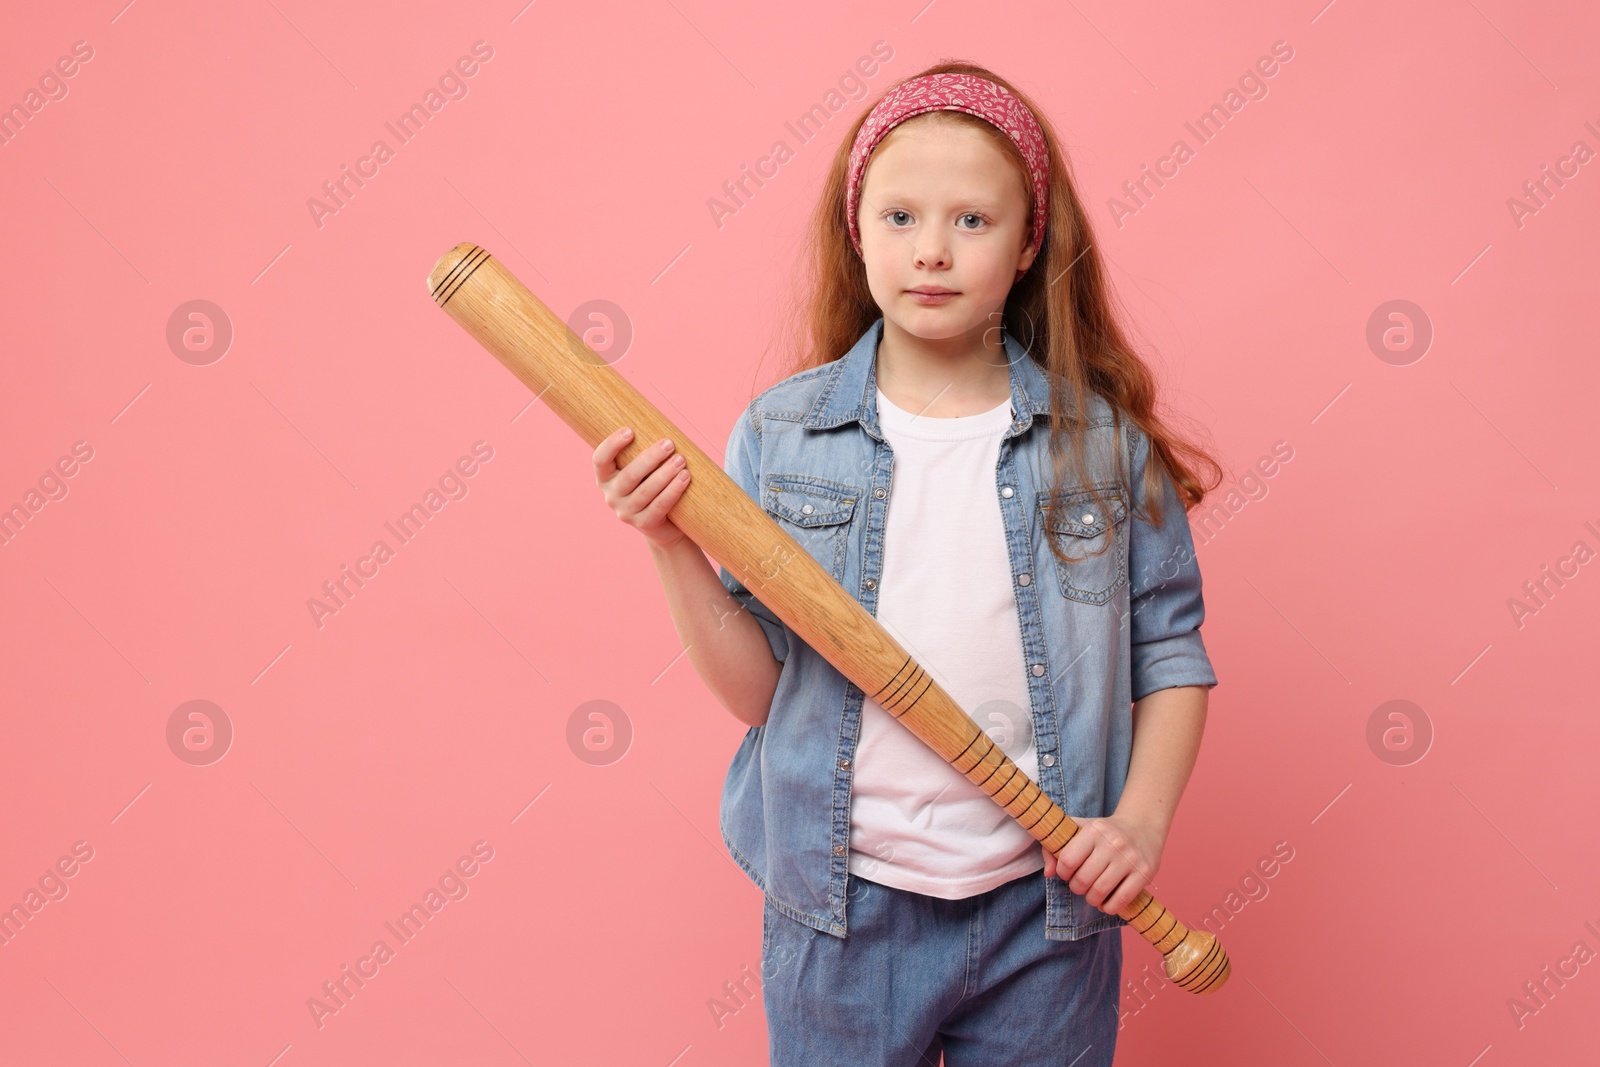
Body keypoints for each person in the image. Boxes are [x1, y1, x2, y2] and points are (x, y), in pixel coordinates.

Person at [593, 60, 1224, 1067]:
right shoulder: (784, 434)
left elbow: (1171, 656)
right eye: (898, 218)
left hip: (1045, 911)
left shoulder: (1099, 449)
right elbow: (760, 693)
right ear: (857, 233)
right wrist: (670, 542)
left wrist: (1138, 825)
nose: (930, 251)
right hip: (840, 909)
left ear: (1028, 244)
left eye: (971, 221)